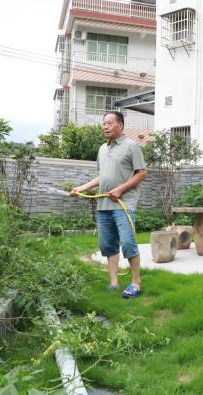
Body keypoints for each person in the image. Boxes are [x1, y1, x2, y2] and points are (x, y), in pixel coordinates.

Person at [70, 111, 147, 298]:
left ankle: (135, 283)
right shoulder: (102, 149)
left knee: (128, 243)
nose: (105, 126)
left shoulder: (132, 147)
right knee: (108, 245)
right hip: (103, 205)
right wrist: (82, 188)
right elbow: (102, 176)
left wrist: (120, 189)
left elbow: (141, 173)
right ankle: (113, 282)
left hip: (123, 204)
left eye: (109, 123)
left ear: (120, 125)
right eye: (104, 123)